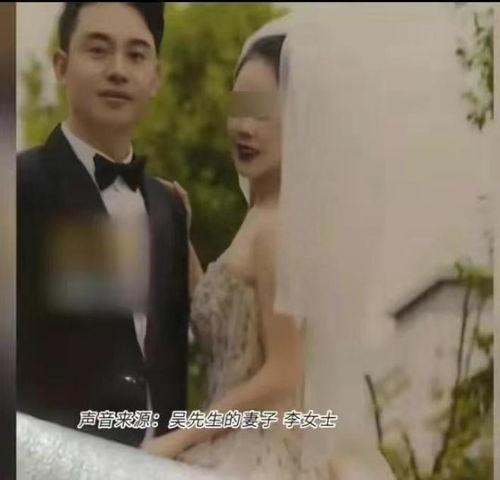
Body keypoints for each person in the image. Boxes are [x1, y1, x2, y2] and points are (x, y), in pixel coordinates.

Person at [17, 2, 190, 448]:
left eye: (136, 55)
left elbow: (168, 356)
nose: (118, 70)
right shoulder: (18, 187)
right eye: (98, 50)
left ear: (156, 76)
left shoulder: (168, 207)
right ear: (61, 66)